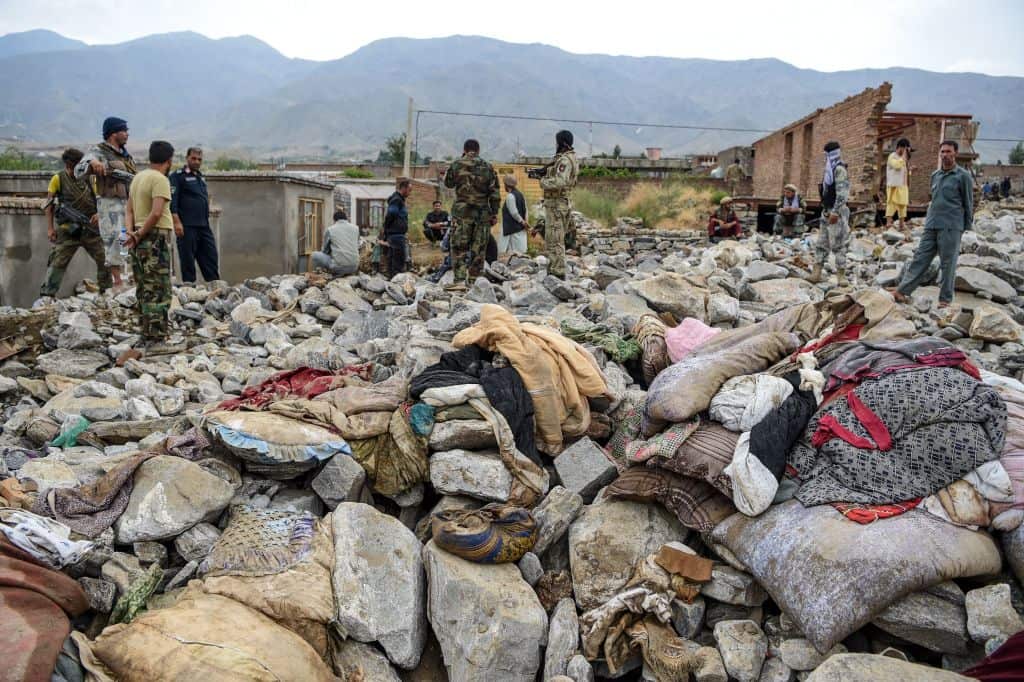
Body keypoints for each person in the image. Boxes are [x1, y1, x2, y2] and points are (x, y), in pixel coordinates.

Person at [890, 140, 973, 309]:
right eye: (942, 152)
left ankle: (945, 300)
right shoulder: (935, 175)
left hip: (951, 226)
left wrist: (966, 227)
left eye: (948, 151)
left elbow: (968, 203)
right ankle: (903, 291)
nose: (945, 155)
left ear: (955, 153)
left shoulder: (963, 176)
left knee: (947, 264)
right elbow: (934, 199)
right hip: (931, 224)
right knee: (920, 259)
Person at [40, 148, 111, 297]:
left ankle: (106, 292)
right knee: (57, 262)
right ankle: (47, 296)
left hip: (91, 229)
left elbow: (103, 199)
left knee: (104, 259)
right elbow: (49, 205)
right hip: (68, 230)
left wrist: (100, 214)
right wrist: (50, 229)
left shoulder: (90, 178)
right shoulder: (58, 179)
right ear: (68, 164)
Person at [75, 116, 137, 288]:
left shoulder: (126, 156)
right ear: (113, 133)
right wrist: (92, 163)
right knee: (113, 242)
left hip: (128, 204)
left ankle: (130, 281)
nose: (127, 134)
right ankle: (117, 282)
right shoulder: (99, 151)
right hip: (110, 205)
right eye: (123, 131)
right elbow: (79, 171)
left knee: (129, 240)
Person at [124, 141, 175, 348]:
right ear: (169, 160)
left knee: (144, 285)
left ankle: (145, 332)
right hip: (154, 238)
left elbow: (129, 210)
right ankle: (156, 337)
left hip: (139, 236)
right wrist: (140, 234)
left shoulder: (138, 178)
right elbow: (156, 212)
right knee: (159, 287)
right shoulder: (160, 180)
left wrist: (131, 233)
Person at [443, 139, 500, 290]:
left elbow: (448, 183)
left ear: (464, 149)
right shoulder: (488, 167)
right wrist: (494, 213)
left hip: (462, 212)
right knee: (479, 247)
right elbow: (495, 193)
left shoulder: (456, 164)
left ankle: (460, 280)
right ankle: (474, 279)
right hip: (482, 213)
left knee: (459, 246)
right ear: (478, 150)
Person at [170, 146, 219, 282]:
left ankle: (215, 288)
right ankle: (190, 293)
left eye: (199, 159)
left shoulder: (200, 177)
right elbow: (172, 201)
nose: (197, 161)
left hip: (203, 226)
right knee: (188, 263)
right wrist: (177, 222)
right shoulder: (177, 176)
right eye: (193, 158)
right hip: (187, 227)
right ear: (187, 158)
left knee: (211, 258)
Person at [538, 130, 579, 279]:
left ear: (561, 143)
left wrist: (543, 182)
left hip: (556, 204)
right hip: (561, 203)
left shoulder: (565, 160)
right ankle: (555, 270)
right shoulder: (570, 158)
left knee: (554, 240)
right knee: (556, 238)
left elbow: (561, 181)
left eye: (557, 142)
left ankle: (557, 272)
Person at [811, 141, 850, 285]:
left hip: (837, 213)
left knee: (839, 244)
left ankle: (841, 276)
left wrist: (835, 212)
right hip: (826, 211)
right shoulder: (829, 170)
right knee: (822, 243)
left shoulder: (839, 170)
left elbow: (842, 194)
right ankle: (816, 272)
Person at [311, 208, 359, 276]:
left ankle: (319, 275)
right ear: (346, 219)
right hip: (354, 266)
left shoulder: (330, 229)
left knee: (314, 255)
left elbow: (324, 250)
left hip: (339, 267)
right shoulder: (356, 228)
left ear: (334, 220)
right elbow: (356, 245)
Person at [383, 179, 412, 276]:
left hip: (395, 235)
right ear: (403, 188)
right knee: (398, 262)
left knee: (393, 260)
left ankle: (391, 280)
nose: (409, 193)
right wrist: (387, 229)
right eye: (409, 190)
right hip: (396, 236)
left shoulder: (398, 199)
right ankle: (396, 282)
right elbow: (391, 214)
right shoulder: (397, 199)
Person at [885, 138, 912, 232]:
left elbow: (904, 170)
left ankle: (901, 224)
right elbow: (896, 166)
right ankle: (888, 223)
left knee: (903, 205)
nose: (905, 151)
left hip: (903, 185)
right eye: (904, 149)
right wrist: (904, 157)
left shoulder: (904, 159)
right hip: (894, 184)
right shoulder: (892, 156)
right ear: (900, 147)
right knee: (891, 203)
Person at [500, 174, 529, 256]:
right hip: (519, 229)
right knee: (520, 253)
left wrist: (522, 222)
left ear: (506, 185)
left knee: (513, 254)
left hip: (512, 230)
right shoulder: (521, 194)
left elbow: (514, 213)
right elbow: (526, 209)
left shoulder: (510, 196)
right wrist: (525, 222)